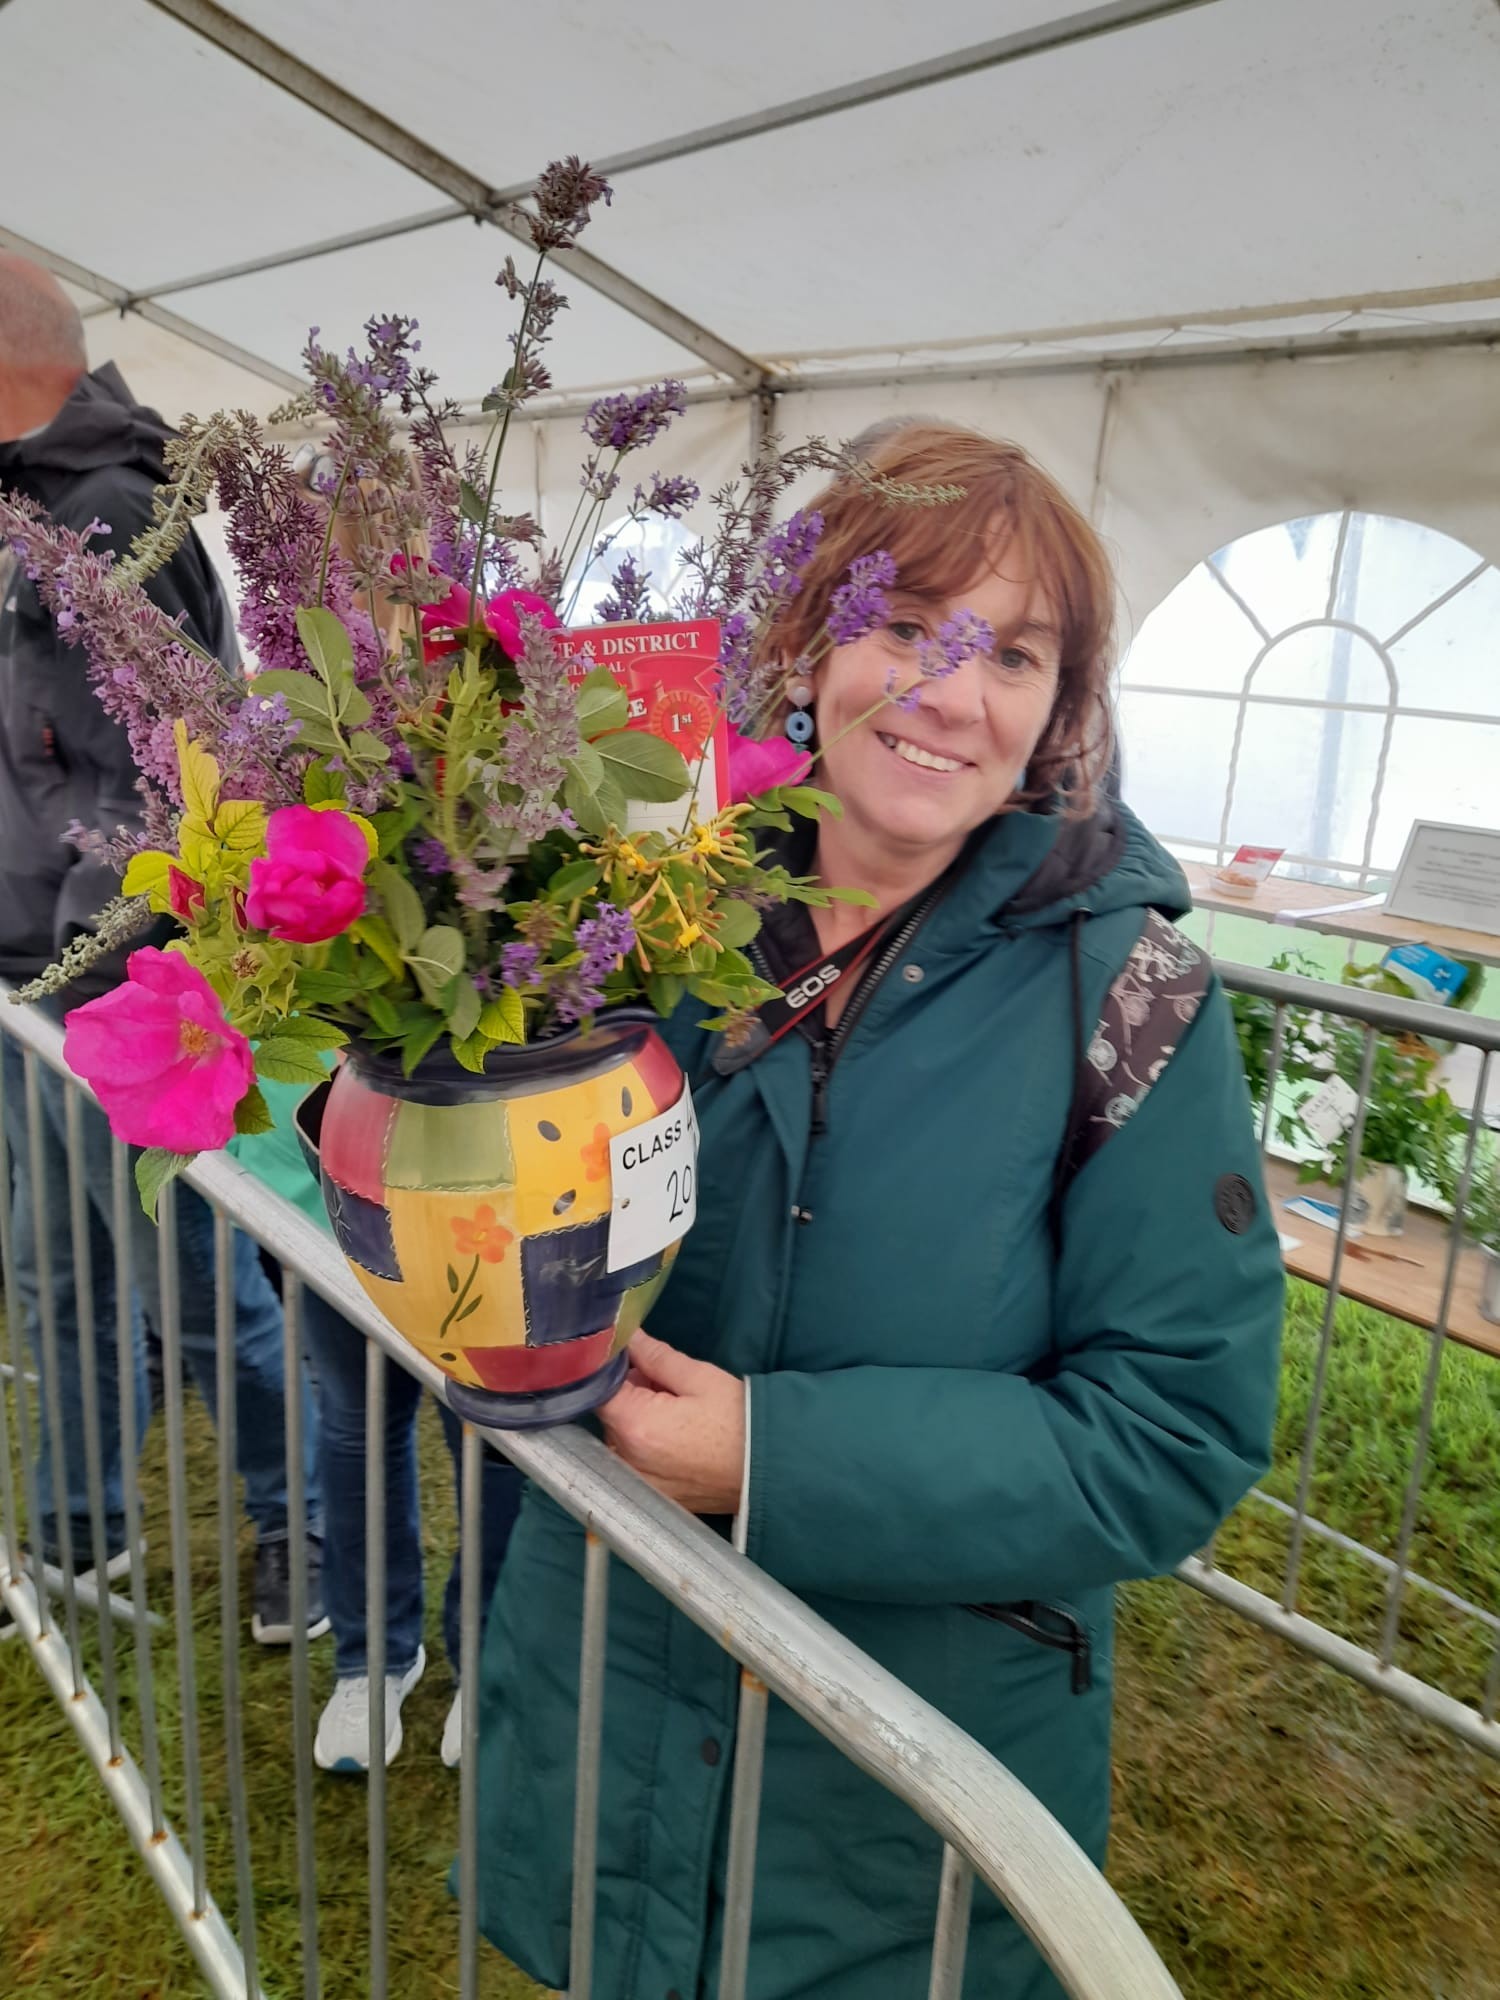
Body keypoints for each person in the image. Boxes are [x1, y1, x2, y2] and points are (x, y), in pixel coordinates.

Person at [471, 421, 1284, 1997]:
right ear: (805, 641)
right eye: (906, 626)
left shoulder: (1133, 996)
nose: (952, 693)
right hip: (610, 1678)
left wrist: (773, 1458)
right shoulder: (634, 905)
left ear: (1060, 709)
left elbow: (1173, 1432)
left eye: (1016, 655)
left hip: (905, 1776)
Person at [0, 253, 325, 1642]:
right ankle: (81, 1530)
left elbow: (160, 776)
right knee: (59, 1282)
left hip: (114, 996)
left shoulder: (111, 509)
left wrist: (89, 985)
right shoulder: (31, 508)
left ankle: (301, 1531)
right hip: (35, 987)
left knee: (195, 1284)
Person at [231, 1079, 525, 1768]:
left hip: (481, 1175)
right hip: (327, 1179)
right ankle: (371, 1656)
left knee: (487, 1434)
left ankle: (487, 1658)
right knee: (355, 1423)